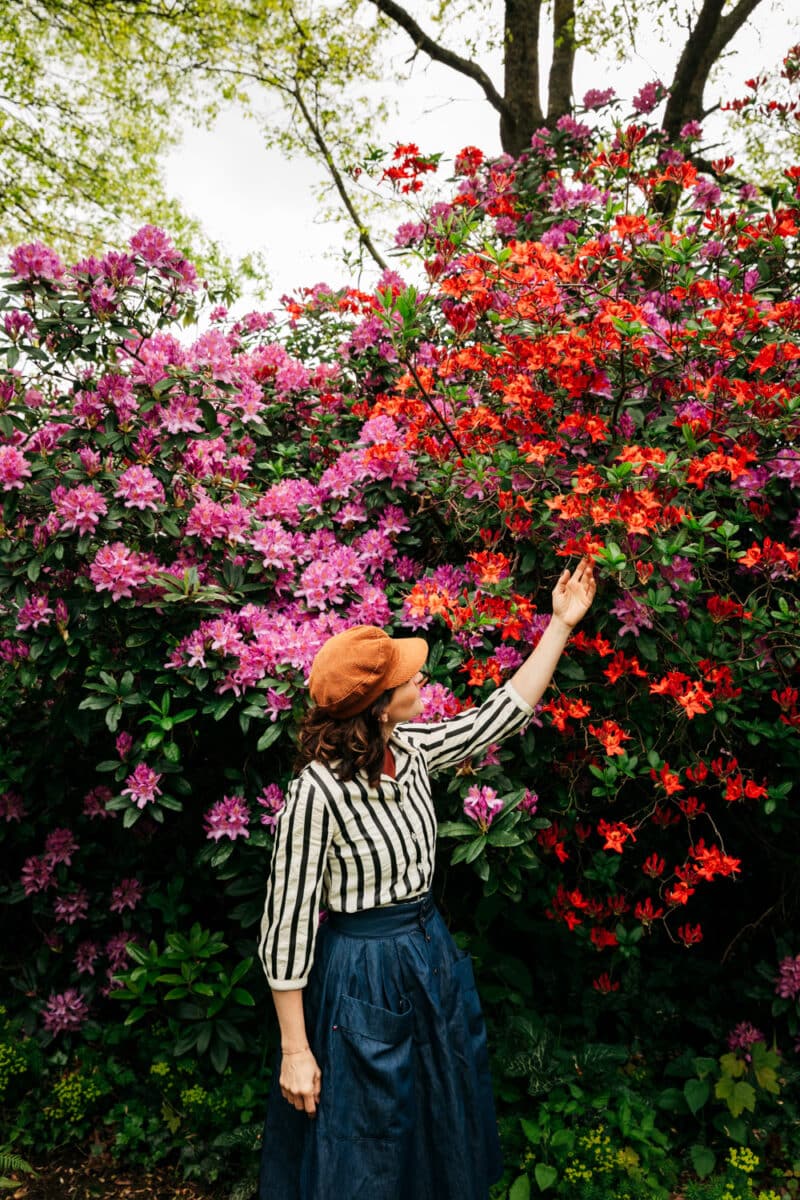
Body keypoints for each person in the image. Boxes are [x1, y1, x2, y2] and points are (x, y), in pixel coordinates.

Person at [258, 557, 596, 1200]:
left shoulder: (410, 752)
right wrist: (296, 1052)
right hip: (360, 976)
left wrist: (559, 625)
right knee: (366, 1147)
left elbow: (501, 714)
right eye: (407, 678)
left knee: (435, 1129)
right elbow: (286, 933)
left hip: (426, 957)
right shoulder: (315, 796)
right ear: (378, 706)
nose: (421, 679)